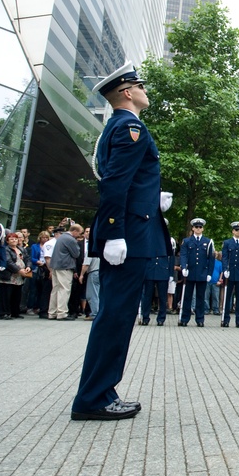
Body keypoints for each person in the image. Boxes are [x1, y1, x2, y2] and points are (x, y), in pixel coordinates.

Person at [72, 60, 171, 421]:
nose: (145, 90)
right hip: (128, 237)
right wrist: (114, 233)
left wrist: (153, 198)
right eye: (140, 85)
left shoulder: (119, 125)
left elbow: (126, 180)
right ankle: (94, 398)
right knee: (115, 316)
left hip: (130, 229)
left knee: (115, 315)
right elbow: (113, 183)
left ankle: (100, 390)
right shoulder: (129, 127)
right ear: (127, 92)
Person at [179, 218, 214, 327]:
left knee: (200, 297)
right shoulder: (187, 241)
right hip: (190, 272)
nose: (198, 229)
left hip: (202, 273)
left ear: (202, 229)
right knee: (187, 296)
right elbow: (183, 255)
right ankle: (185, 318)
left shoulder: (208, 242)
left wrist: (209, 273)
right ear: (193, 228)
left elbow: (211, 259)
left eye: (200, 227)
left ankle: (200, 319)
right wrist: (184, 267)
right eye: (196, 227)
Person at [48, 224, 82, 320]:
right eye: (79, 233)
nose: (79, 235)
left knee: (55, 289)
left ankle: (52, 312)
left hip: (55, 266)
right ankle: (62, 313)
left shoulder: (61, 237)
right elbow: (76, 254)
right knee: (64, 289)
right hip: (65, 266)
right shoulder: (70, 239)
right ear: (74, 231)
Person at [220, 222, 239, 328]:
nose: (238, 232)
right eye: (236, 230)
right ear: (233, 231)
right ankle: (225, 319)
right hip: (230, 274)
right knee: (227, 297)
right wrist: (225, 269)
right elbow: (224, 258)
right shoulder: (227, 243)